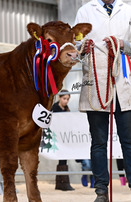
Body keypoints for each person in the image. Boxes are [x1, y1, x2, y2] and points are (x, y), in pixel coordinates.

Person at [75, 0, 131, 201]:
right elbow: (75, 46)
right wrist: (82, 46)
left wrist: (125, 44)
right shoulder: (85, 11)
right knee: (98, 142)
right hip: (96, 84)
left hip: (123, 84)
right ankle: (101, 191)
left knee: (129, 141)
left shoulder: (128, 10)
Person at [52, 89, 74, 191]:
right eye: (64, 98)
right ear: (59, 98)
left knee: (63, 158)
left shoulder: (67, 109)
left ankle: (61, 183)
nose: (66, 101)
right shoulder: (55, 108)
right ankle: (62, 183)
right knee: (62, 157)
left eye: (67, 99)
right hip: (57, 136)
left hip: (64, 136)